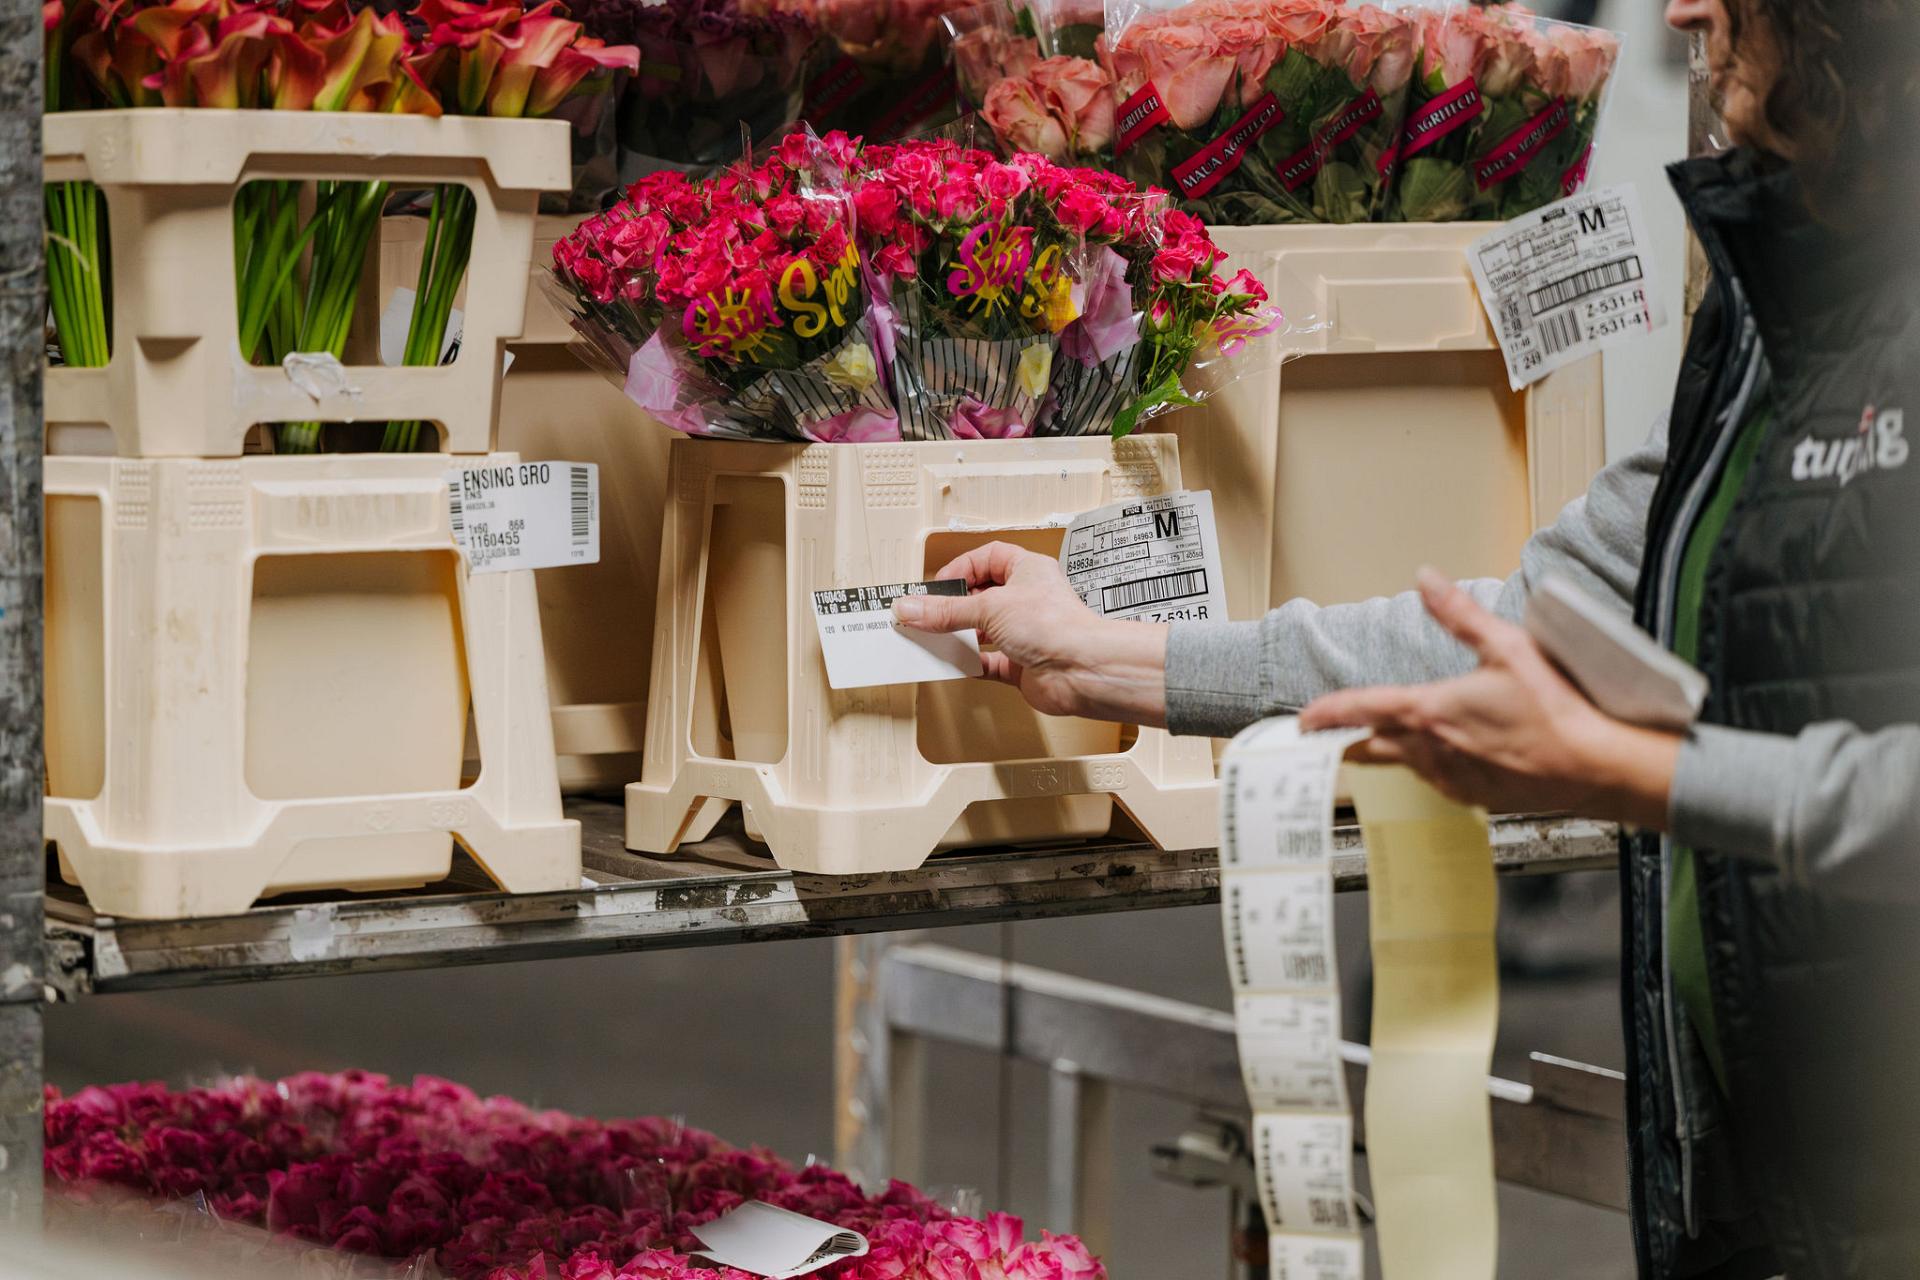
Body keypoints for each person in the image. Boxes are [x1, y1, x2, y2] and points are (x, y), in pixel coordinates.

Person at [892, 1, 1920, 1275]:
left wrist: (1638, 775)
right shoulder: (1770, 319)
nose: (1677, 10)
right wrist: (1108, 658)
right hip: (1761, 1179)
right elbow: (1524, 622)